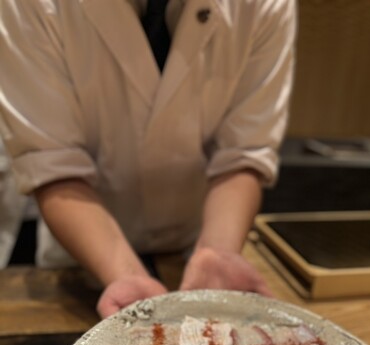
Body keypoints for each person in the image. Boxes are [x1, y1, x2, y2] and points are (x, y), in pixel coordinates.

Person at [0, 0, 297, 317]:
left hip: (195, 250)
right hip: (82, 258)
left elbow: (243, 153)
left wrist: (219, 250)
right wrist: (124, 273)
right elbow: (52, 161)